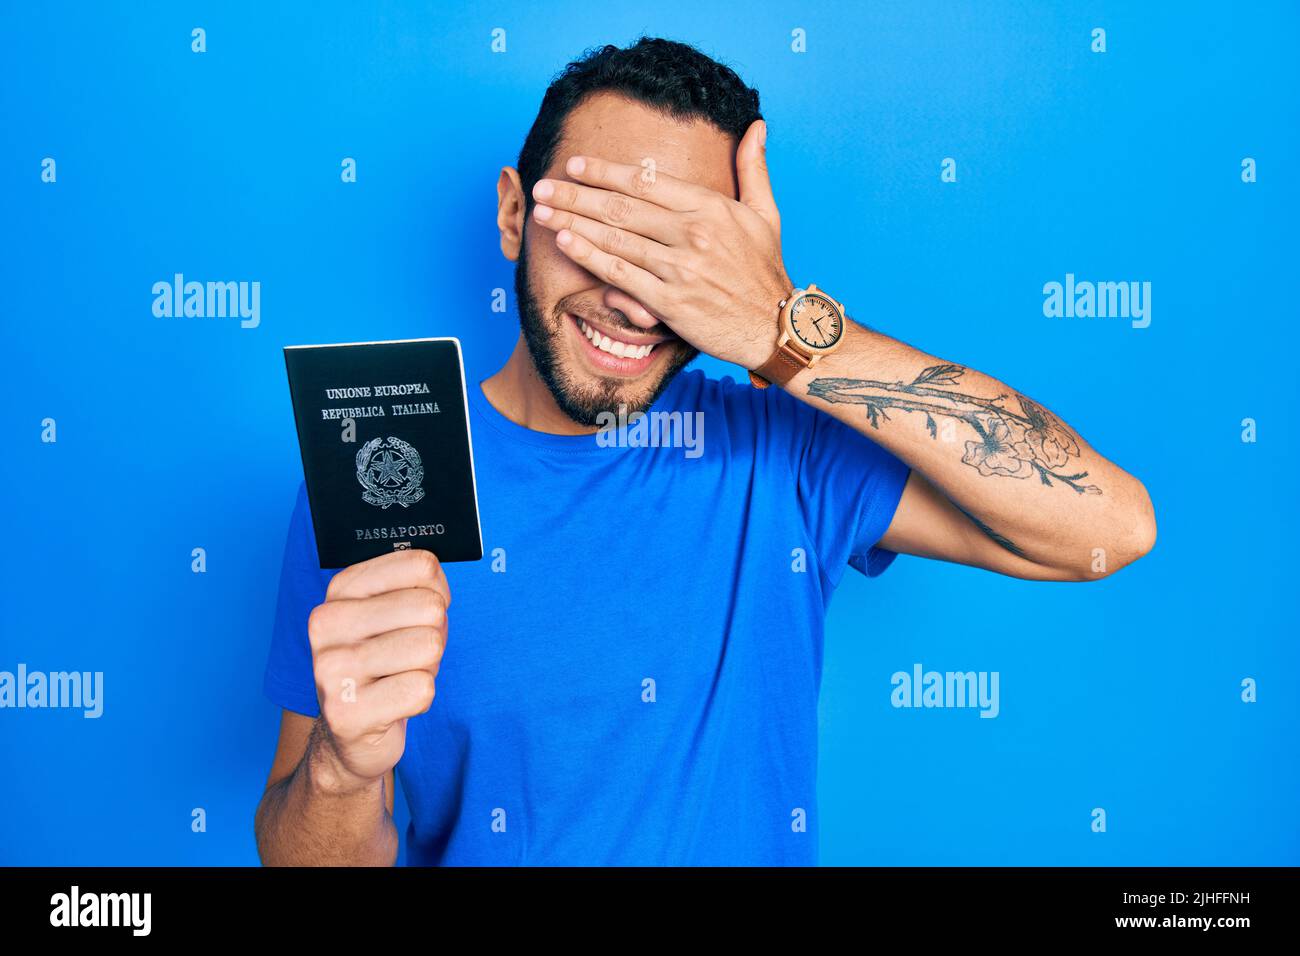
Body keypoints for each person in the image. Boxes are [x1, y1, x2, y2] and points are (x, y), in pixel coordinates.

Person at [255, 37, 1155, 866]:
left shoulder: (785, 450)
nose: (636, 304)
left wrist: (787, 332)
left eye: (676, 255)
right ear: (512, 212)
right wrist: (341, 769)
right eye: (601, 233)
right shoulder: (386, 471)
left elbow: (1107, 526)